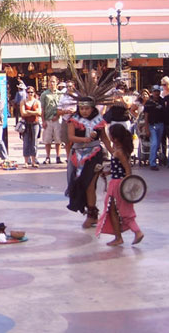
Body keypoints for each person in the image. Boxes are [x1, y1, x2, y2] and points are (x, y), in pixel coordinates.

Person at [66, 96, 113, 229]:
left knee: (90, 185)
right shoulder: (73, 120)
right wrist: (85, 139)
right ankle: (89, 211)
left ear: (92, 108)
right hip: (78, 156)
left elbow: (104, 138)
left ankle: (92, 215)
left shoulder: (99, 121)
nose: (84, 111)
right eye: (81, 108)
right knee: (80, 184)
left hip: (95, 155)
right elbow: (70, 137)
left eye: (87, 108)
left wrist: (113, 152)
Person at [95, 125, 144, 246]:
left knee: (120, 210)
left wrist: (125, 186)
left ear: (115, 138)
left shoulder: (120, 152)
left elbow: (127, 170)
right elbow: (120, 168)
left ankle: (136, 232)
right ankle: (119, 237)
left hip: (118, 185)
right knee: (113, 210)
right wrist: (108, 172)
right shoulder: (120, 150)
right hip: (117, 183)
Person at [40, 76, 63, 164]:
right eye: (50, 82)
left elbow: (62, 107)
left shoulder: (60, 94)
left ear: (57, 82)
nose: (52, 83)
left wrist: (57, 116)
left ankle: (58, 156)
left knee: (58, 139)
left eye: (53, 82)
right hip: (48, 119)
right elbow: (42, 108)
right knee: (47, 140)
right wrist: (43, 121)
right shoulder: (44, 94)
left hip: (57, 119)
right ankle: (48, 157)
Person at [143, 86, 166, 171]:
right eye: (155, 91)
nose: (156, 93)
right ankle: (152, 163)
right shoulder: (149, 102)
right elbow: (146, 116)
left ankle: (154, 159)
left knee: (157, 144)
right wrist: (146, 128)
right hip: (152, 125)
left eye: (158, 91)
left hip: (161, 124)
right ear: (152, 92)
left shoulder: (162, 101)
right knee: (154, 143)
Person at [20, 87, 41, 168]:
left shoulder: (37, 102)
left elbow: (39, 113)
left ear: (34, 93)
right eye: (28, 92)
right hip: (26, 124)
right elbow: (23, 114)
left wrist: (29, 112)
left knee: (34, 143)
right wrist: (33, 113)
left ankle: (33, 161)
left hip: (35, 124)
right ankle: (26, 161)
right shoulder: (23, 102)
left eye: (32, 92)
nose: (30, 94)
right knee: (26, 142)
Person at [58, 80, 76, 161]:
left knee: (75, 141)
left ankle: (75, 158)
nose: (69, 88)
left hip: (76, 121)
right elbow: (58, 111)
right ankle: (69, 158)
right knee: (67, 141)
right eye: (67, 86)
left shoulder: (78, 97)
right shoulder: (63, 98)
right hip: (65, 120)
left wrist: (75, 111)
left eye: (70, 86)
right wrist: (65, 111)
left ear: (74, 86)